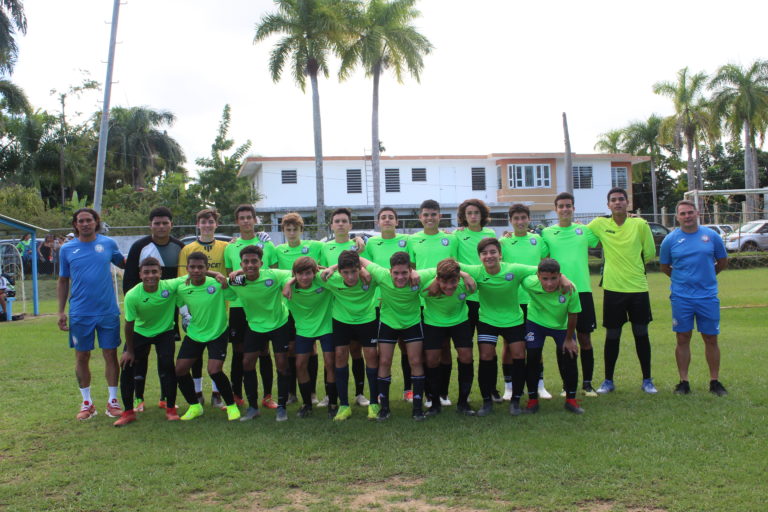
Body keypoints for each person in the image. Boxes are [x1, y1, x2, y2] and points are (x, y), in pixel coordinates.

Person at [460, 238, 573, 416]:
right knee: (486, 355)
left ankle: (515, 401)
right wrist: (465, 275)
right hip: (487, 320)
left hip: (513, 320)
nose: (489, 256)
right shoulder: (476, 271)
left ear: (500, 254)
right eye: (484, 253)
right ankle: (487, 401)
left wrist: (564, 277)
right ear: (479, 257)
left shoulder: (514, 269)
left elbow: (544, 269)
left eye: (492, 252)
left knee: (519, 355)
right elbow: (449, 264)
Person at [58, 208, 126, 420]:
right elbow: (63, 280)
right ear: (75, 224)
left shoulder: (108, 244)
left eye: (89, 220)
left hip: (107, 311)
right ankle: (87, 403)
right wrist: (60, 311)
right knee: (82, 355)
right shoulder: (66, 249)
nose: (85, 224)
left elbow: (126, 267)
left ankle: (113, 401)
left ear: (96, 222)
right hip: (80, 313)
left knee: (110, 354)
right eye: (81, 221)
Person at [588, 188, 658, 394]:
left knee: (641, 333)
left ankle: (647, 380)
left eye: (621, 199)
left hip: (638, 288)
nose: (617, 202)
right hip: (613, 288)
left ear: (628, 203)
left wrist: (632, 267)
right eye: (613, 200)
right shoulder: (600, 224)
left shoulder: (640, 224)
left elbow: (650, 252)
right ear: (608, 204)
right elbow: (579, 234)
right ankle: (608, 381)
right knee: (612, 335)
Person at [659, 200, 728, 396]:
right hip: (682, 298)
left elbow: (722, 262)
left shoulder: (711, 236)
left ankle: (714, 381)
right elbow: (665, 267)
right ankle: (683, 382)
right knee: (682, 337)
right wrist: (683, 281)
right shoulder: (670, 240)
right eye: (683, 213)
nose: (687, 216)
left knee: (711, 338)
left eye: (690, 212)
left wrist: (707, 277)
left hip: (707, 296)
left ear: (697, 213)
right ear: (677, 217)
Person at [358, 252, 434, 421]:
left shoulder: (419, 276)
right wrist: (361, 269)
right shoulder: (381, 274)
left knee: (415, 361)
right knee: (384, 361)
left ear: (410, 271)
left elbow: (442, 268)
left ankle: (417, 408)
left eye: (405, 273)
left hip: (412, 322)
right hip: (388, 322)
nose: (400, 277)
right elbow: (356, 257)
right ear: (390, 271)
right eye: (396, 273)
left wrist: (465, 275)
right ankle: (384, 408)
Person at [122, 206, 185, 411]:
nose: (161, 226)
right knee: (139, 357)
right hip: (142, 312)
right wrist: (140, 304)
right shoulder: (139, 247)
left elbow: (183, 280)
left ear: (171, 225)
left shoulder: (179, 247)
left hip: (168, 313)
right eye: (156, 223)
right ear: (151, 225)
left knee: (165, 358)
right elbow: (130, 278)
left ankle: (166, 397)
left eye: (165, 223)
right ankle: (138, 398)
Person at [224, 245, 293, 422]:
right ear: (241, 264)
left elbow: (292, 273)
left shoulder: (272, 275)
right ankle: (253, 407)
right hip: (255, 326)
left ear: (261, 263)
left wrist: (287, 286)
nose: (250, 265)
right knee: (247, 363)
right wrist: (227, 277)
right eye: (246, 262)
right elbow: (225, 287)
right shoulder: (237, 281)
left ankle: (282, 407)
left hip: (279, 324)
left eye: (254, 261)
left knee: (282, 363)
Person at [541, 193, 600, 397]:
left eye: (568, 206)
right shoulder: (547, 233)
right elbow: (538, 254)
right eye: (561, 206)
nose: (565, 209)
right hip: (558, 293)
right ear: (555, 209)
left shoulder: (584, 230)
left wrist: (631, 218)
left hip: (582, 291)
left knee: (585, 339)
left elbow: (606, 236)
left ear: (573, 208)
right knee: (563, 339)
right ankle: (568, 385)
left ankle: (587, 384)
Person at [114, 257, 181, 426]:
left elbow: (195, 274)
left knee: (167, 365)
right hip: (139, 332)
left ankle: (171, 409)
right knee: (127, 366)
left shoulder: (170, 286)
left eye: (154, 272)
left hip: (164, 332)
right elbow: (128, 325)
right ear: (140, 275)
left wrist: (216, 274)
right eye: (146, 272)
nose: (150, 276)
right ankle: (128, 412)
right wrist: (129, 350)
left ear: (161, 273)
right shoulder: (132, 295)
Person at [174, 251, 240, 421]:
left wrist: (223, 282)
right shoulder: (182, 287)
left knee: (214, 370)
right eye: (192, 267)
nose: (196, 270)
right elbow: (180, 304)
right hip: (195, 333)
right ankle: (195, 406)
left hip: (217, 332)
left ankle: (231, 406)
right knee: (180, 369)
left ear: (207, 268)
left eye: (200, 267)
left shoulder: (217, 284)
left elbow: (232, 296)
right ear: (187, 268)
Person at [224, 205, 278, 410]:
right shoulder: (231, 247)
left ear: (255, 220)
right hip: (239, 306)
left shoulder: (267, 245)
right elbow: (231, 278)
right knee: (238, 351)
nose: (246, 221)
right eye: (242, 218)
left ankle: (267, 396)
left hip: (262, 306)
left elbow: (273, 275)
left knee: (264, 351)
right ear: (237, 221)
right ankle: (237, 394)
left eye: (249, 217)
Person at [408, 199, 458, 408]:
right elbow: (411, 269)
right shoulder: (412, 240)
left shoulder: (451, 239)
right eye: (426, 214)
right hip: (421, 301)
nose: (429, 218)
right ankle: (429, 394)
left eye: (433, 214)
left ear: (440, 216)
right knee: (426, 352)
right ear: (420, 217)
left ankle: (443, 393)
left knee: (445, 348)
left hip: (446, 299)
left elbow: (455, 266)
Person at [178, 208, 230, 408]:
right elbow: (183, 279)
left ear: (216, 224)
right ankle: (197, 391)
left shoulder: (226, 247)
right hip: (194, 308)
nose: (207, 225)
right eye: (203, 222)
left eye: (211, 222)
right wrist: (185, 312)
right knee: (195, 354)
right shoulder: (187, 249)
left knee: (216, 355)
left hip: (219, 308)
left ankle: (217, 394)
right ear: (198, 224)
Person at [361, 207, 413, 403]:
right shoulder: (372, 242)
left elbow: (412, 265)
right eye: (384, 217)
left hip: (403, 300)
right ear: (378, 222)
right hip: (379, 301)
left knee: (407, 348)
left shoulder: (406, 241)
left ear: (397, 222)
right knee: (384, 350)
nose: (388, 220)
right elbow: (366, 265)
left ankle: (408, 389)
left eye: (391, 217)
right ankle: (381, 394)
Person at [322, 250, 379, 421]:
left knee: (371, 356)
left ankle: (374, 403)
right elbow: (302, 271)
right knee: (340, 356)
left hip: (367, 319)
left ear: (359, 268)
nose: (351, 277)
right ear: (340, 271)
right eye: (345, 272)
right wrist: (331, 268)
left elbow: (389, 271)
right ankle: (344, 405)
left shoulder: (371, 277)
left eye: (354, 271)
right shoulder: (331, 278)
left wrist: (363, 268)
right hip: (342, 321)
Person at [521, 258, 584, 415]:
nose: (549, 283)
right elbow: (518, 273)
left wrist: (569, 340)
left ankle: (571, 400)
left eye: (554, 278)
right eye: (545, 279)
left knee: (570, 355)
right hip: (536, 323)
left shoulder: (570, 289)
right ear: (538, 276)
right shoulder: (529, 282)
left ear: (559, 276)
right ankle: (533, 400)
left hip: (561, 326)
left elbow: (573, 315)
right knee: (533, 357)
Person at [320, 207, 369, 408]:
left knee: (356, 351)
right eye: (336, 221)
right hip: (334, 309)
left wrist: (359, 239)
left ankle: (360, 393)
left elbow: (368, 266)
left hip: (357, 308)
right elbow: (321, 272)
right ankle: (330, 395)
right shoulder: (324, 247)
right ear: (331, 225)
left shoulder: (359, 245)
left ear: (350, 225)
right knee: (333, 354)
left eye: (344, 221)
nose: (340, 224)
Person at [275, 212, 324, 405]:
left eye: (296, 229)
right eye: (288, 229)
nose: (292, 232)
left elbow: (335, 249)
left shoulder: (315, 246)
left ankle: (311, 392)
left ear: (302, 230)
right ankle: (291, 393)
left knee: (311, 349)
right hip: (288, 307)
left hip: (310, 306)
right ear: (284, 231)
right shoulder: (278, 250)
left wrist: (358, 240)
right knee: (290, 351)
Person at [500, 204, 548, 401]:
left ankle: (540, 385)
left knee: (536, 345)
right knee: (509, 345)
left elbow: (546, 265)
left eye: (523, 218)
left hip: (535, 300)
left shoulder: (538, 240)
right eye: (516, 218)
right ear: (510, 221)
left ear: (529, 219)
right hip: (512, 301)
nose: (520, 222)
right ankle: (509, 386)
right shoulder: (503, 242)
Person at [421, 258, 477, 416]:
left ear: (458, 279)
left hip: (460, 322)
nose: (449, 287)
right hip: (433, 323)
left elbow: (471, 285)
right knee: (432, 360)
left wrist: (465, 275)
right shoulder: (427, 289)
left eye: (453, 282)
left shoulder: (466, 286)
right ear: (437, 279)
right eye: (444, 282)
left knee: (466, 357)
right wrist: (434, 281)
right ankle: (435, 404)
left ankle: (463, 403)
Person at [282, 257, 336, 418]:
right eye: (300, 274)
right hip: (304, 330)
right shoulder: (286, 283)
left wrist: (327, 268)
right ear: (294, 274)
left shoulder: (322, 280)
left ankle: (333, 403)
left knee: (330, 364)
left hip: (326, 326)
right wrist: (288, 283)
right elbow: (261, 272)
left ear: (314, 273)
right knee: (300, 365)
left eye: (308, 273)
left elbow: (343, 268)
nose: (304, 277)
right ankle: (307, 404)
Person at [453, 199, 496, 402]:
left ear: (482, 215)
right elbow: (452, 261)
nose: (473, 216)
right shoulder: (457, 235)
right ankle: (466, 393)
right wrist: (465, 275)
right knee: (466, 349)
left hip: (488, 296)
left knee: (489, 347)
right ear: (464, 216)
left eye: (476, 212)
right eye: (469, 213)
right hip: (467, 298)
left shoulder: (491, 235)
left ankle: (491, 389)